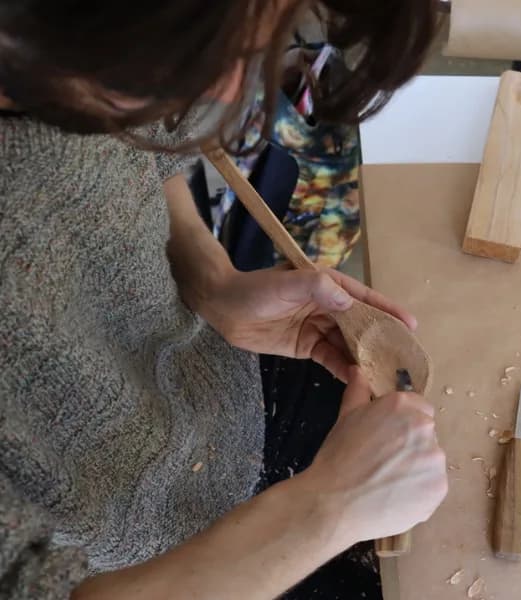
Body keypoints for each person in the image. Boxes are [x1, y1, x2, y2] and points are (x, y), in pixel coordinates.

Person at [0, 1, 447, 598]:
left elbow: (152, 150)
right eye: (207, 51)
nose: (230, 90)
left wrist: (212, 282)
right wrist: (326, 508)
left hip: (216, 386)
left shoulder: (106, 52)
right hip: (144, 566)